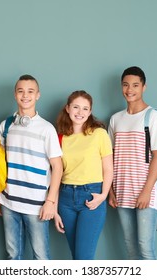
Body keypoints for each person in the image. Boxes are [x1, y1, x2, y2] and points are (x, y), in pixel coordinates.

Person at [0, 74, 63, 260]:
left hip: (37, 205)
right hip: (9, 203)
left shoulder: (46, 129)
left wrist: (50, 202)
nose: (25, 95)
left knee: (40, 257)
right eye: (21, 91)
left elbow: (58, 167)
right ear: (15, 95)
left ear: (38, 95)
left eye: (30, 91)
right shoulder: (6, 125)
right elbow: (0, 164)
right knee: (12, 255)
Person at [108, 66, 157, 260]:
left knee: (145, 247)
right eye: (126, 85)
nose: (130, 89)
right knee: (130, 247)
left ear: (144, 87)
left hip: (145, 191)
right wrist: (110, 190)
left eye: (135, 85)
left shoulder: (154, 117)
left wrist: (147, 191)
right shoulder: (116, 119)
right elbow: (109, 157)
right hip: (122, 191)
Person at [54, 90, 113, 260]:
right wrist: (56, 210)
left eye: (85, 109)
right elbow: (56, 175)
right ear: (67, 108)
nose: (80, 112)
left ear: (90, 111)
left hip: (92, 197)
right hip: (65, 199)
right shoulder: (60, 138)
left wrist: (103, 195)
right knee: (76, 257)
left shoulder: (99, 134)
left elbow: (108, 169)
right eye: (76, 107)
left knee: (83, 258)